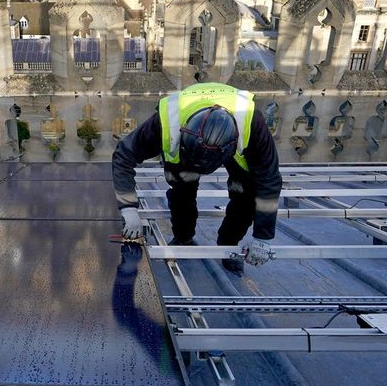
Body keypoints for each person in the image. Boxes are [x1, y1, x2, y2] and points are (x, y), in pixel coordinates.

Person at [112, 82, 281, 272]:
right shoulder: (166, 121)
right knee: (182, 189)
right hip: (186, 152)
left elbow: (269, 178)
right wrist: (128, 209)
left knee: (245, 194)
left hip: (232, 145)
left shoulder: (252, 123)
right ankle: (183, 237)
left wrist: (263, 237)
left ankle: (228, 245)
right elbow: (123, 156)